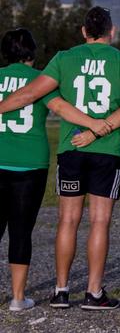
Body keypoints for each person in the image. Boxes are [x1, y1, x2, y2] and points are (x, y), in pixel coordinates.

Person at [0, 6, 120, 310]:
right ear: (111, 32)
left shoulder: (64, 58)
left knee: (67, 219)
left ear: (83, 31)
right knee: (100, 221)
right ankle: (93, 292)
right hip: (107, 150)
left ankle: (61, 291)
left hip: (72, 147)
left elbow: (27, 94)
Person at [0, 28, 111, 311]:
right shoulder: (40, 80)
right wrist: (92, 123)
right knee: (21, 231)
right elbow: (61, 108)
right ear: (32, 52)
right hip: (29, 162)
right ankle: (17, 297)